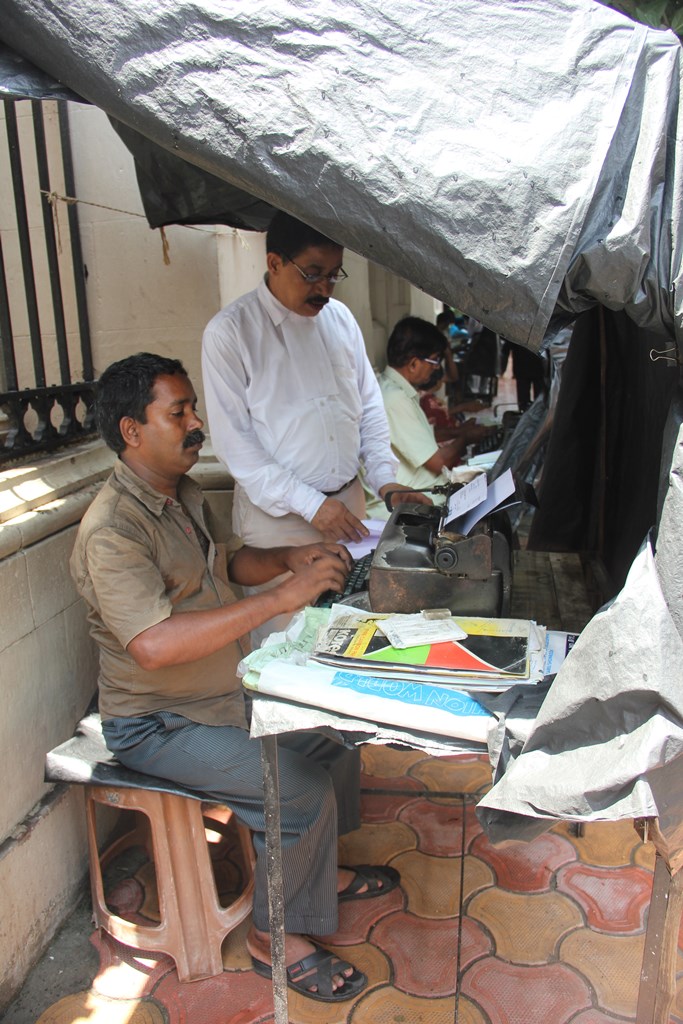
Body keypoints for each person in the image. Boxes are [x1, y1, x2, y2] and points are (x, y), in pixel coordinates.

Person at [70, 353, 400, 1003]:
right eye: (179, 412)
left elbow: (224, 565)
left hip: (217, 697)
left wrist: (287, 559)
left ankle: (316, 875)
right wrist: (282, 598)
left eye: (193, 408)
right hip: (156, 722)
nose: (197, 423)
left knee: (330, 734)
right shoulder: (112, 531)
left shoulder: (180, 493)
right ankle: (273, 938)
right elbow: (154, 646)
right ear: (132, 430)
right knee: (295, 790)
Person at [202, 211, 423, 644]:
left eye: (333, 274)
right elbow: (236, 447)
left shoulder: (341, 320)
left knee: (350, 632)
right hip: (277, 524)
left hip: (348, 510)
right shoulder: (230, 333)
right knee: (283, 642)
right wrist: (311, 505)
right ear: (274, 263)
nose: (324, 287)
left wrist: (386, 482)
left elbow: (369, 411)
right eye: (312, 273)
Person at [379, 317, 492, 492]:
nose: (436, 368)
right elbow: (438, 462)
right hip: (417, 497)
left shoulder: (394, 389)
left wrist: (459, 431)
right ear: (414, 364)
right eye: (434, 361)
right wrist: (466, 438)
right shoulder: (395, 399)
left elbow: (424, 434)